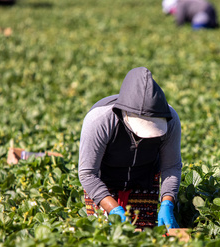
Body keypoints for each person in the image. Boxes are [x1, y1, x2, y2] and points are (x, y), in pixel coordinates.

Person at [78, 67, 182, 231]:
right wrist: (114, 210)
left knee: (146, 234)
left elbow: (171, 166)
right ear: (125, 114)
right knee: (104, 234)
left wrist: (167, 203)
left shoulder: (170, 119)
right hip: (102, 179)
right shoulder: (99, 121)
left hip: (145, 176)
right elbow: (87, 173)